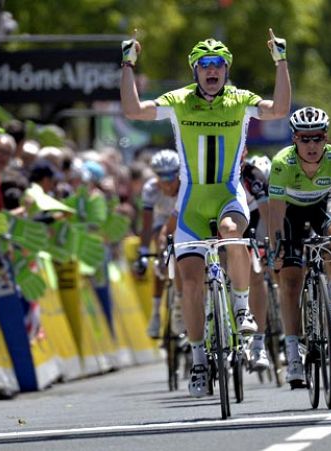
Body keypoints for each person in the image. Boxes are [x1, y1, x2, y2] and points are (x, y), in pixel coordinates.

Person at [120, 29, 291, 397]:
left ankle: (242, 309)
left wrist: (281, 62)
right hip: (191, 202)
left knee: (232, 233)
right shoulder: (179, 100)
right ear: (195, 70)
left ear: (226, 70)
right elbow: (134, 110)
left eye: (218, 65)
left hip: (228, 193)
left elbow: (278, 110)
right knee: (191, 284)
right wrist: (128, 64)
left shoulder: (239, 99)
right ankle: (199, 361)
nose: (211, 70)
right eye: (204, 65)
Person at [267, 106, 331, 387]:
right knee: (290, 279)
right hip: (291, 212)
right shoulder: (282, 163)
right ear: (294, 138)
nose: (311, 145)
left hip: (324, 203)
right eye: (304, 138)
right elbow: (275, 212)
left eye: (317, 138)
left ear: (326, 137)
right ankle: (293, 354)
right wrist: (276, 249)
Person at [136, 150, 181, 339]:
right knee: (161, 260)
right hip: (161, 220)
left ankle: (179, 301)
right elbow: (146, 225)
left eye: (172, 177)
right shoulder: (151, 189)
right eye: (162, 178)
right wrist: (144, 250)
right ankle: (155, 314)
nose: (168, 183)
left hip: (182, 219)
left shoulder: (187, 186)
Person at [241, 153, 272, 370]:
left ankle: (258, 344)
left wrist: (271, 243)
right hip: (217, 217)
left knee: (255, 271)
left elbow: (268, 215)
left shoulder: (252, 175)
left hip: (252, 221)